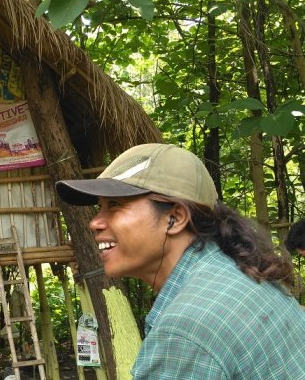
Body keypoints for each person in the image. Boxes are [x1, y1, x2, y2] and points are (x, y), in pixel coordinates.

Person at [55, 143, 305, 379]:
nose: (94, 222)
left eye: (115, 205)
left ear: (174, 217)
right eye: (100, 207)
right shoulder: (239, 272)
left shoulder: (184, 331)